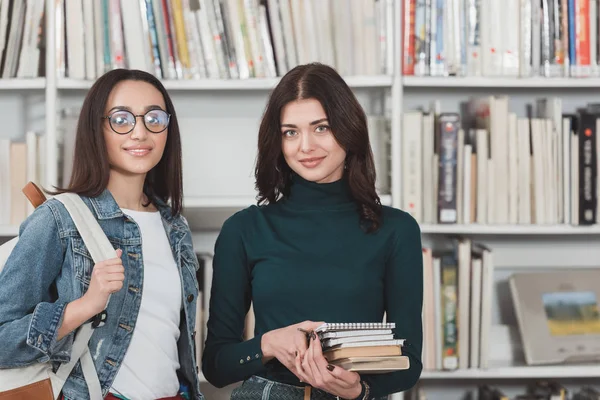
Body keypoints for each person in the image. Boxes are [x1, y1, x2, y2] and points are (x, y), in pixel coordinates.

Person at [202, 63, 423, 399]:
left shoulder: (396, 230)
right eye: (290, 132)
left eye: (321, 128)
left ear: (348, 130)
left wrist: (360, 389)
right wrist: (268, 344)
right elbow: (217, 366)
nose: (305, 146)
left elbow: (409, 359)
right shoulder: (244, 230)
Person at [0, 69, 203, 400]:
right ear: (97, 128)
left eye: (154, 118)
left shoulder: (174, 226)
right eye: (121, 119)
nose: (140, 132)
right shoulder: (59, 218)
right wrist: (84, 307)